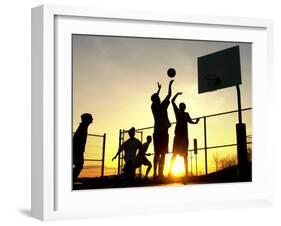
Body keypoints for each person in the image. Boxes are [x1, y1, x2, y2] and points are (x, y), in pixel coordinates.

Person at [169, 92, 199, 177]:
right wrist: (177, 94)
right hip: (179, 136)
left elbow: (190, 121)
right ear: (180, 107)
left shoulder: (185, 114)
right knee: (175, 155)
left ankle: (185, 173)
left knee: (184, 155)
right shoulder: (178, 112)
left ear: (184, 107)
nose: (182, 107)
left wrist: (195, 122)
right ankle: (171, 173)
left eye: (183, 106)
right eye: (181, 106)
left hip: (183, 137)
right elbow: (172, 101)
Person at [151, 80, 174, 178]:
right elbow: (169, 94)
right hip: (162, 133)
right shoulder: (161, 105)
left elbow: (156, 97)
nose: (159, 97)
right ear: (156, 99)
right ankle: (158, 174)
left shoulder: (153, 106)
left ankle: (157, 173)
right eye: (158, 97)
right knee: (161, 154)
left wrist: (159, 90)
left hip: (158, 133)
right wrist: (169, 85)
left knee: (159, 154)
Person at [73, 113, 93, 182]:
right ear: (86, 120)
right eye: (90, 118)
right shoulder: (82, 128)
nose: (92, 119)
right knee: (79, 165)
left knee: (79, 165)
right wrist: (77, 151)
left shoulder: (83, 127)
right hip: (77, 150)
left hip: (78, 150)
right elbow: (76, 140)